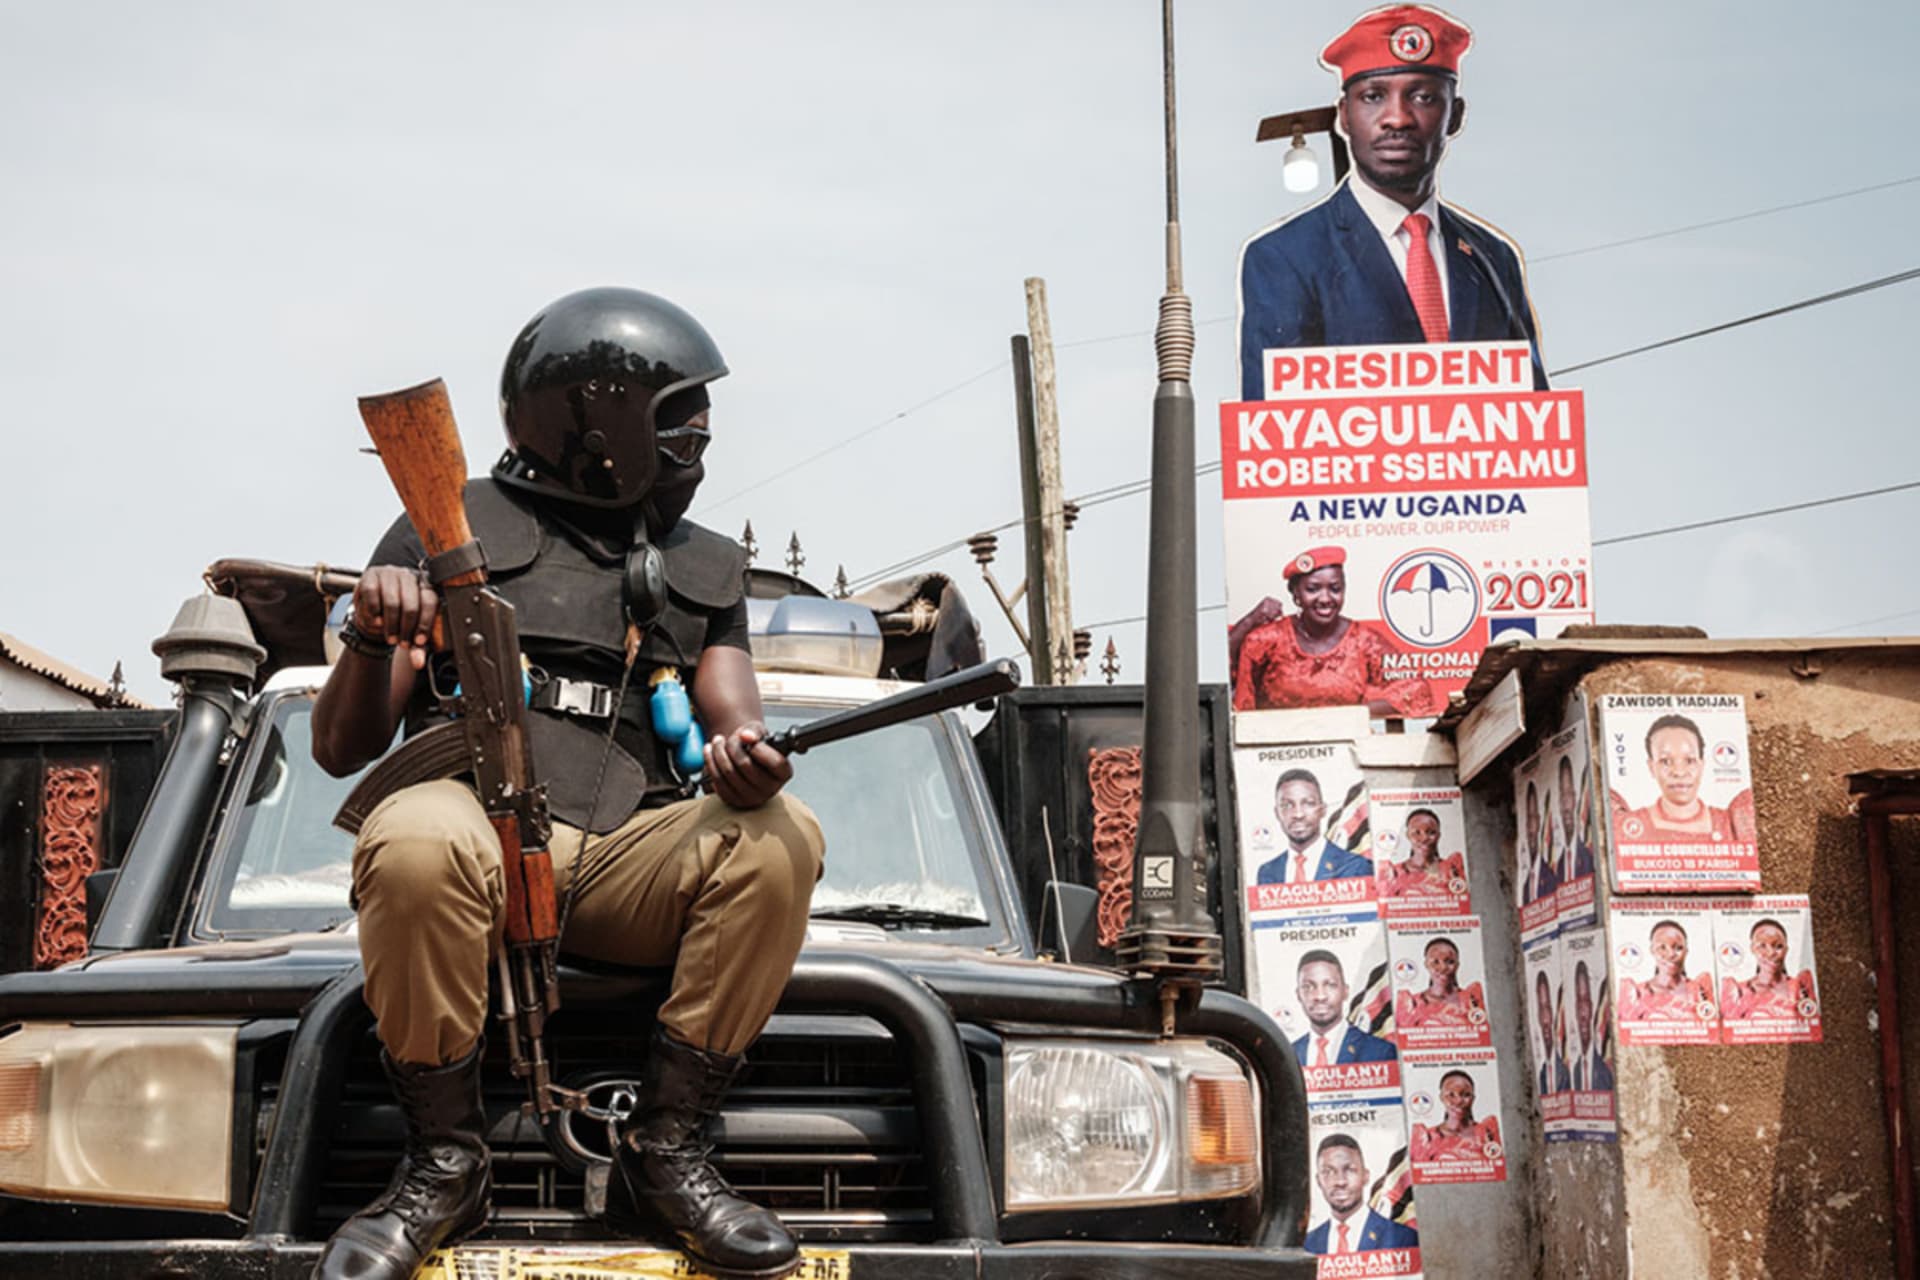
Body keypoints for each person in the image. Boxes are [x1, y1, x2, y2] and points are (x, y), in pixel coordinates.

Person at [308, 287, 827, 1280]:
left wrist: (747, 767)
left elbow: (736, 719)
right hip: (479, 848)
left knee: (783, 833)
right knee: (416, 834)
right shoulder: (443, 521)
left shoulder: (704, 569)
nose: (699, 444)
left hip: (631, 854)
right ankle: (446, 1161)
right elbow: (343, 745)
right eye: (680, 421)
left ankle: (666, 1147)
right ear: (604, 424)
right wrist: (373, 637)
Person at [1238, 3, 1548, 400]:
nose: (1397, 118)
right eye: (1373, 96)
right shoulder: (1285, 257)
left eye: (1423, 97)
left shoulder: (1493, 259)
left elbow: (1536, 419)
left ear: (1455, 116)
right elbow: (1274, 432)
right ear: (1344, 117)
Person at [1232, 547, 1438, 717]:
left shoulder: (1365, 641)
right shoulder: (1267, 640)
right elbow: (1237, 699)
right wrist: (1250, 621)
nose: (1325, 598)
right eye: (1313, 589)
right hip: (1276, 755)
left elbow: (1416, 690)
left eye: (1335, 588)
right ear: (1296, 594)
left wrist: (1349, 716)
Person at [1614, 714, 1740, 844]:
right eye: (1666, 761)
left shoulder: (1732, 823)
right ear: (1651, 767)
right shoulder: (1628, 826)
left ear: (1702, 765)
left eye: (1690, 760)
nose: (1679, 772)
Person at [1305, 1134, 1420, 1255]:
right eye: (1328, 1172)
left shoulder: (1403, 1238)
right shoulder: (1308, 1244)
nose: (1340, 1181)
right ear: (1318, 1180)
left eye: (1350, 1170)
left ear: (1365, 1176)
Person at [1256, 767, 1374, 883]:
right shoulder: (1267, 872)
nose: (1298, 814)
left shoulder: (1355, 867)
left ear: (1323, 810)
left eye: (1308, 804)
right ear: (1277, 813)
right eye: (1287, 805)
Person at [1292, 950, 1398, 1067]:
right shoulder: (1288, 1055)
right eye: (1308, 987)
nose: (1320, 996)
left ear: (1345, 992)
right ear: (1298, 994)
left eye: (1330, 985)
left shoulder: (1381, 1052)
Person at [1720, 918, 1818, 1022]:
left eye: (1778, 946)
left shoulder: (1801, 988)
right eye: (1762, 946)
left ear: (1786, 950)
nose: (1771, 953)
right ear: (1753, 949)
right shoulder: (1738, 991)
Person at [1618, 919, 1716, 1023]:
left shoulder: (1700, 990)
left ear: (1686, 951)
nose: (1671, 954)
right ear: (1652, 950)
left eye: (1678, 948)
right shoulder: (1636, 993)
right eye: (1662, 947)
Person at [1393, 936, 1486, 1033]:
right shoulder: (1410, 1003)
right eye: (1435, 962)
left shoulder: (1471, 999)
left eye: (1450, 962)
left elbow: (1483, 1035)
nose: (1443, 968)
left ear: (1457, 965)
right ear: (1426, 964)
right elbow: (1401, 1041)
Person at [1411, 1070, 1501, 1164]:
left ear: (1473, 1098)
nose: (1458, 1101)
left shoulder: (1488, 1132)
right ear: (1442, 1098)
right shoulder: (1426, 1137)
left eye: (1466, 1095)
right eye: (1451, 1095)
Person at [1378, 806, 1466, 901]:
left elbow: (1463, 903)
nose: (1424, 838)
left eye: (1431, 833)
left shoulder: (1451, 868)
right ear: (1408, 835)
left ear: (1438, 836)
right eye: (1417, 832)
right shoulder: (1394, 873)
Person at [1568, 960, 1614, 1093]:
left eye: (1586, 1001)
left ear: (1593, 1007)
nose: (1582, 1012)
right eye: (1579, 1003)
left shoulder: (1606, 1070)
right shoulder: (1576, 1070)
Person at [1555, 754, 1595, 880]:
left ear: (1575, 798)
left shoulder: (1589, 856)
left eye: (1569, 794)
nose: (1566, 805)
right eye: (1562, 796)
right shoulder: (1559, 866)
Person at [1521, 779, 1559, 905]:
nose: (1530, 829)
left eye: (1532, 819)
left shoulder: (1550, 877)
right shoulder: (1526, 886)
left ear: (1538, 822)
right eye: (1528, 821)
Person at [1532, 969, 1568, 1096]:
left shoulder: (1567, 1068)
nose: (1546, 1020)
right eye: (1541, 1009)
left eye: (1548, 1008)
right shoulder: (1542, 1073)